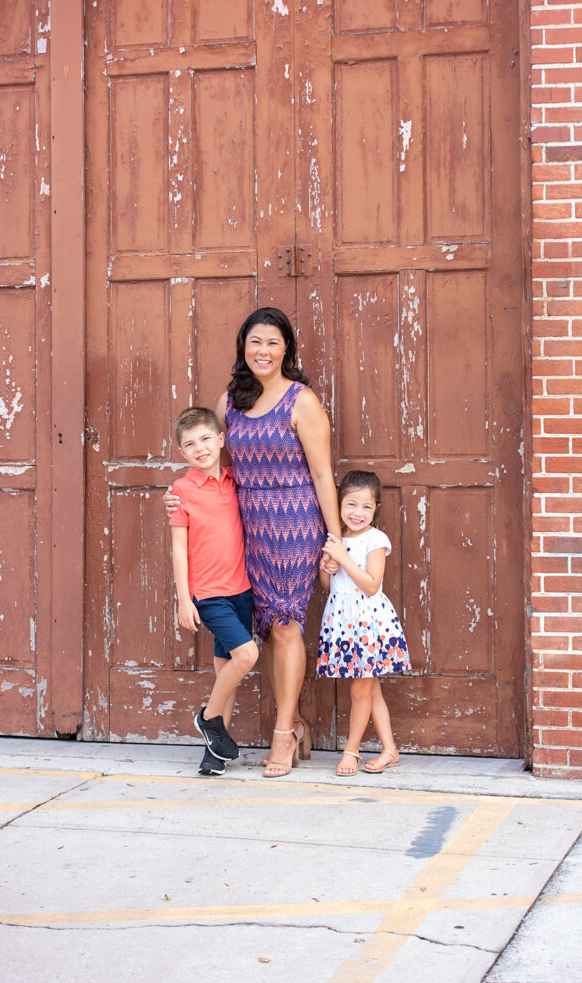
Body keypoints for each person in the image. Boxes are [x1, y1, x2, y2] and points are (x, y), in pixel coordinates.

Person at [166, 308, 340, 778]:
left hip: (292, 523)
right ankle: (255, 731)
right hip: (243, 526)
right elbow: (210, 462)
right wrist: (180, 496)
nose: (263, 352)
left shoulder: (301, 401)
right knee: (246, 634)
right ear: (244, 347)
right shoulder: (230, 402)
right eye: (255, 342)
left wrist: (335, 538)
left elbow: (323, 473)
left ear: (287, 350)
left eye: (273, 343)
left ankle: (283, 732)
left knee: (285, 626)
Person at [169, 406, 258, 776]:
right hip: (209, 595)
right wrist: (183, 599)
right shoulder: (181, 491)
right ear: (182, 453)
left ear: (222, 439)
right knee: (247, 656)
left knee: (227, 669)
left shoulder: (236, 480)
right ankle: (208, 719)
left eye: (206, 438)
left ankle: (215, 754)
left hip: (242, 591)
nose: (200, 448)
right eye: (190, 444)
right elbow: (178, 547)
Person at [316, 470, 411, 776]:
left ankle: (351, 751)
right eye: (351, 505)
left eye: (366, 507)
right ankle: (389, 750)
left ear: (376, 509)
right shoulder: (337, 539)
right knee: (371, 691)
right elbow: (328, 587)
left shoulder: (375, 539)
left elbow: (371, 585)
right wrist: (326, 567)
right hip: (343, 622)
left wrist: (343, 559)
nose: (358, 513)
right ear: (339, 504)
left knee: (359, 691)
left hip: (369, 624)